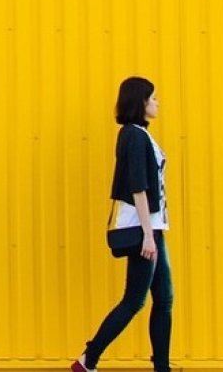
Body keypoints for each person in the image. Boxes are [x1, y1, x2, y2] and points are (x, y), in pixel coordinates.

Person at [72, 77, 173, 372]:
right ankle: (88, 359)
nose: (157, 103)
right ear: (141, 101)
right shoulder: (134, 135)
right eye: (153, 98)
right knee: (135, 300)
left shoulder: (140, 134)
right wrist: (147, 235)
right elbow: (138, 187)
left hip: (153, 227)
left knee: (164, 299)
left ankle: (162, 366)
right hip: (145, 228)